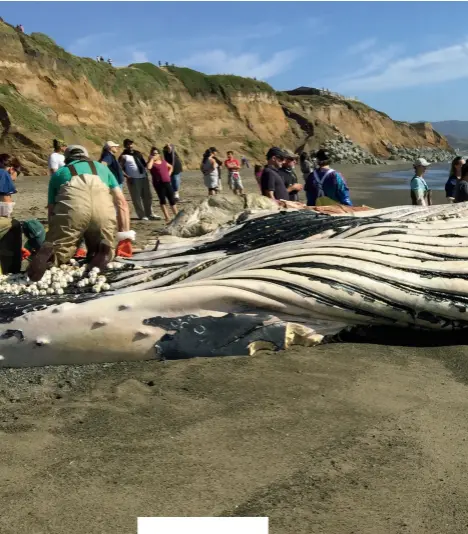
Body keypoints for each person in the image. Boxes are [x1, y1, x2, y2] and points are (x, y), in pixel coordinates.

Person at [28, 145, 131, 281]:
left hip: (73, 211)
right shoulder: (102, 168)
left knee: (61, 251)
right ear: (86, 156)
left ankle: (52, 257)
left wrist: (52, 237)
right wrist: (125, 235)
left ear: (67, 158)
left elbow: (52, 210)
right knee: (104, 244)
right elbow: (121, 202)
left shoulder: (59, 173)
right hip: (103, 211)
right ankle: (101, 253)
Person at [119, 139, 156, 220]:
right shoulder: (123, 156)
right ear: (125, 146)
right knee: (136, 198)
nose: (130, 146)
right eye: (128, 144)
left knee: (148, 196)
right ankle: (141, 215)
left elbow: (144, 164)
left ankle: (149, 213)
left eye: (131, 144)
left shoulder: (138, 153)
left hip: (143, 177)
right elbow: (120, 168)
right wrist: (127, 176)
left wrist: (150, 160)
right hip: (133, 179)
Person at [0, 154, 22, 274]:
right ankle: (11, 270)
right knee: (14, 225)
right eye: (13, 178)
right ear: (12, 169)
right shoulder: (3, 174)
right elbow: (6, 207)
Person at [147, 147, 178, 223]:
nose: (154, 155)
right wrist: (151, 159)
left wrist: (169, 174)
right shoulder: (152, 163)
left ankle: (177, 215)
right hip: (159, 184)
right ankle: (167, 217)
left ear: (159, 154)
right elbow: (148, 167)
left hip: (167, 182)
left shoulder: (163, 161)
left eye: (155, 153)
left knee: (172, 199)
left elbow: (171, 167)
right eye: (153, 153)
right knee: (162, 200)